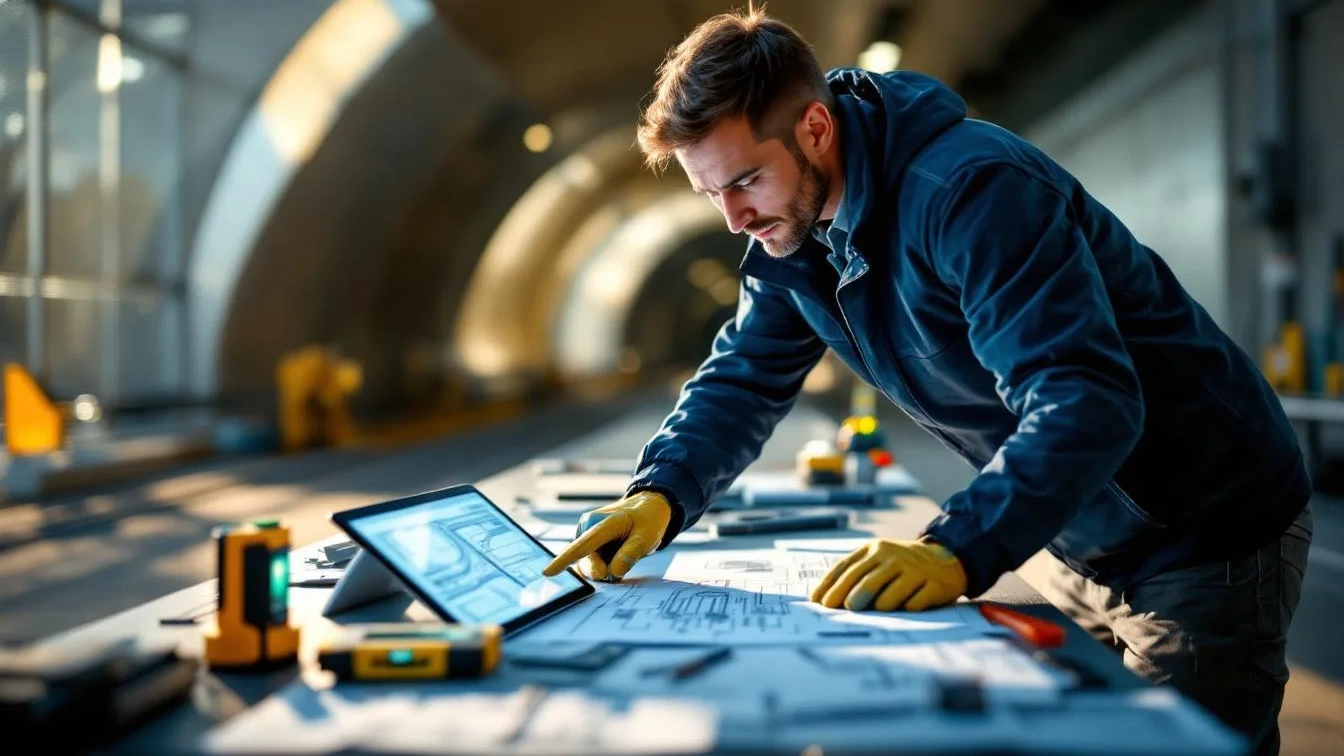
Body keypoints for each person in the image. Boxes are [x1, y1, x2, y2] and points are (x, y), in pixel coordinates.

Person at [542, 9, 1312, 755]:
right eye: (711, 193)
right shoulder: (792, 235)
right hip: (1070, 533)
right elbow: (742, 377)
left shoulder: (971, 191)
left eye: (744, 181)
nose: (733, 218)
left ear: (815, 128)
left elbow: (1085, 397)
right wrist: (662, 490)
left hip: (1197, 531)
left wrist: (957, 547)